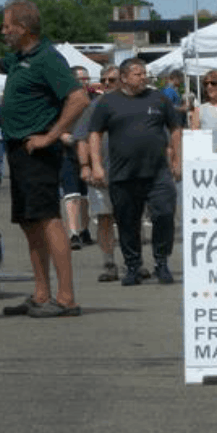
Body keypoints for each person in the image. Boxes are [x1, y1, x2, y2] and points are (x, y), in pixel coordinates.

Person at [0, 0, 88, 319]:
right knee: (29, 223)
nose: (3, 30)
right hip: (19, 150)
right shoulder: (22, 58)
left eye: (7, 26)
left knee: (49, 219)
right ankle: (41, 294)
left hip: (37, 149)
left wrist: (50, 136)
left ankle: (66, 298)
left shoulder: (48, 58)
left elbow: (79, 98)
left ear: (23, 29)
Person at [88, 58, 182, 286]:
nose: (143, 78)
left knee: (164, 215)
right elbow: (95, 134)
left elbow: (175, 128)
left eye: (144, 73)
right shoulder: (108, 102)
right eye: (138, 74)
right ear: (124, 78)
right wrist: (97, 165)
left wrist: (177, 159)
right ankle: (132, 266)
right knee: (128, 222)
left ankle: (161, 263)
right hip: (123, 174)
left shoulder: (158, 98)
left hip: (158, 172)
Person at [75, 65, 122, 282]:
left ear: (122, 81)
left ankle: (134, 262)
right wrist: (86, 166)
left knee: (131, 220)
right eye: (103, 81)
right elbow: (82, 137)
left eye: (111, 80)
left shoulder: (136, 105)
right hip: (101, 172)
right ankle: (109, 262)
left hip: (130, 173)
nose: (106, 85)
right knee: (104, 218)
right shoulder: (94, 107)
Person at [62, 66, 94, 251]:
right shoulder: (64, 101)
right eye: (82, 79)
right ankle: (73, 233)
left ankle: (84, 229)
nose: (85, 81)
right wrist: (62, 136)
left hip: (91, 153)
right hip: (69, 153)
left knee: (86, 196)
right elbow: (53, 123)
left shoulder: (95, 100)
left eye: (87, 78)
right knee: (72, 195)